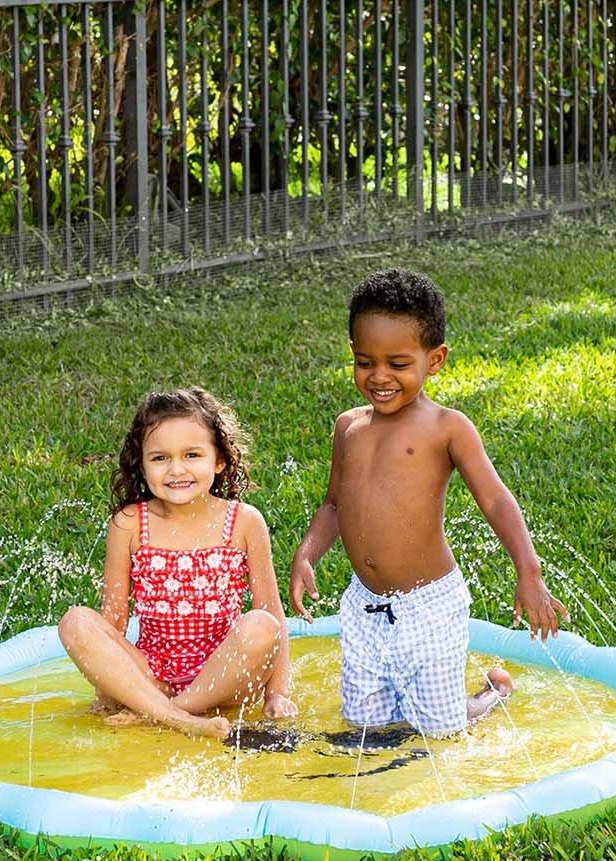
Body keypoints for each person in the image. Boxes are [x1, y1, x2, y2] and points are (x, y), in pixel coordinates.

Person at [289, 268, 566, 737]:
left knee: (439, 731)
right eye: (364, 361)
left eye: (397, 364)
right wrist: (307, 552)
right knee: (365, 729)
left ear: (434, 360)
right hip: (365, 605)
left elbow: (496, 501)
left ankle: (486, 698)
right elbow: (334, 505)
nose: (379, 377)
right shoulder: (349, 427)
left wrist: (529, 572)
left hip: (429, 606)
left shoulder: (446, 428)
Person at [59, 388, 296, 741]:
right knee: (75, 621)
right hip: (152, 677)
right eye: (159, 458)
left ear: (219, 460)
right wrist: (109, 690)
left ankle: (167, 713)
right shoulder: (129, 523)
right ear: (141, 463)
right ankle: (177, 716)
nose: (176, 470)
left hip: (223, 682)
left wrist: (277, 694)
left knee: (261, 626)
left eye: (192, 455)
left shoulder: (244, 521)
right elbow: (113, 619)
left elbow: (271, 611)